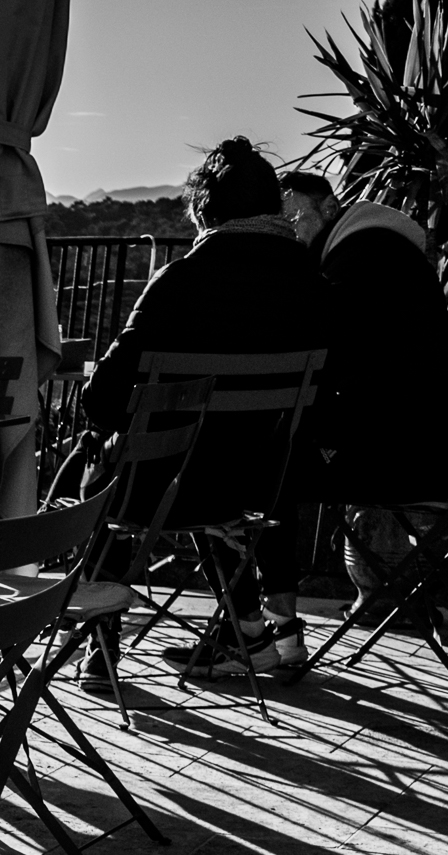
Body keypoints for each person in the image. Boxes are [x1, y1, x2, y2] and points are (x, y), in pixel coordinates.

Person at [80, 137, 331, 684]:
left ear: (203, 211)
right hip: (261, 487)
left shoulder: (181, 281)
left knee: (115, 463)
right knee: (214, 456)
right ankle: (247, 630)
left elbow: (101, 401)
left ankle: (100, 646)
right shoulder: (314, 287)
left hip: (165, 486)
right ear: (275, 209)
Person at [278, 169, 448, 656]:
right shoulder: (388, 252)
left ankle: (272, 627)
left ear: (329, 209)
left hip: (397, 460)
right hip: (427, 449)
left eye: (295, 218)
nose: (290, 232)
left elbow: (333, 363)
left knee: (268, 473)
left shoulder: (354, 264)